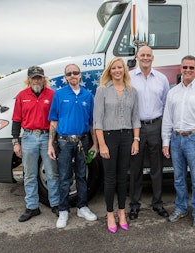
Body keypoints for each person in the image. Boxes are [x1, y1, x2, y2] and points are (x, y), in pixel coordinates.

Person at [162, 55, 195, 228]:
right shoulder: (173, 92)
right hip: (177, 140)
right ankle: (181, 208)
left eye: (191, 67)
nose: (188, 70)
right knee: (178, 178)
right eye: (185, 67)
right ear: (181, 68)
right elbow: (167, 119)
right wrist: (166, 141)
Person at [48, 64, 98, 229]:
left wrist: (95, 144)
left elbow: (92, 123)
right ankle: (63, 210)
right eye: (69, 74)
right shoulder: (59, 95)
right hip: (64, 142)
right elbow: (53, 121)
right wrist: (50, 144)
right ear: (66, 77)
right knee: (64, 178)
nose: (72, 75)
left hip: (83, 142)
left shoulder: (88, 96)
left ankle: (82, 207)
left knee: (82, 176)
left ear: (80, 75)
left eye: (75, 73)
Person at [93, 57, 140, 233]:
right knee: (110, 178)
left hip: (127, 137)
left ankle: (122, 212)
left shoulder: (132, 91)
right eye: (114, 68)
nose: (117, 70)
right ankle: (110, 213)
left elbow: (135, 117)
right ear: (109, 71)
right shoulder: (102, 90)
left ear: (124, 70)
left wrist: (136, 139)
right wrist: (102, 145)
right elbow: (97, 120)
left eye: (120, 67)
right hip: (109, 137)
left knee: (122, 178)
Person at [12, 66, 60, 222]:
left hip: (47, 137)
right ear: (29, 80)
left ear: (44, 79)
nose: (37, 80)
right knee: (30, 174)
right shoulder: (21, 96)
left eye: (39, 77)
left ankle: (56, 204)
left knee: (52, 173)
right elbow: (16, 120)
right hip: (28, 137)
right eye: (34, 78)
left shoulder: (52, 95)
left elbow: (56, 118)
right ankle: (32, 207)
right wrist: (15, 142)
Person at [128, 45, 170, 220]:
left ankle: (157, 203)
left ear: (153, 58)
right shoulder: (128, 78)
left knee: (157, 167)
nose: (145, 57)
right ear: (137, 57)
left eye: (148, 55)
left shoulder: (162, 79)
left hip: (156, 125)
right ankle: (134, 205)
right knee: (135, 168)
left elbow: (167, 104)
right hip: (136, 127)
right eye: (142, 55)